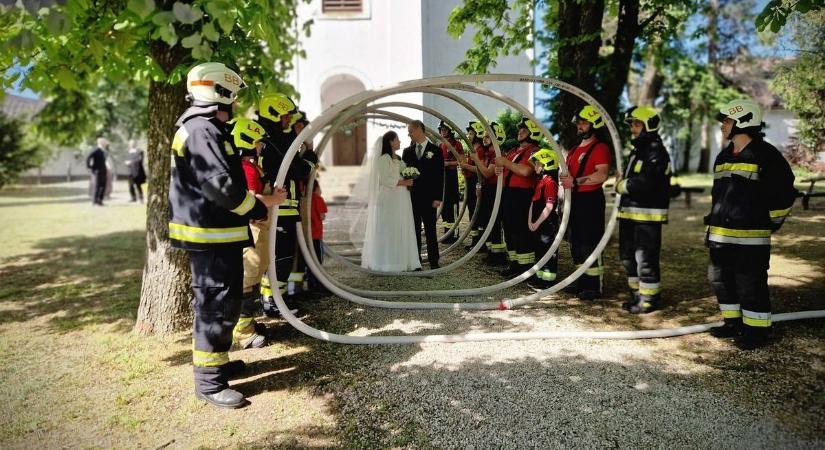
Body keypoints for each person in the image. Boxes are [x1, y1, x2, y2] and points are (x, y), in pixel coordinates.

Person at [168, 62, 286, 409]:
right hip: (210, 237)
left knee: (227, 302)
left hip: (220, 235)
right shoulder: (201, 130)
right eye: (232, 96)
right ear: (219, 92)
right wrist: (256, 208)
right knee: (215, 307)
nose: (235, 103)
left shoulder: (207, 129)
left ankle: (217, 364)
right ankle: (208, 383)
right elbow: (220, 186)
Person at [706, 99, 796, 350]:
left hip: (750, 239)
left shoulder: (766, 156)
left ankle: (756, 332)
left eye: (726, 121)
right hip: (721, 236)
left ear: (743, 122)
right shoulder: (724, 156)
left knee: (750, 284)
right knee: (720, 279)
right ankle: (732, 323)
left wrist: (769, 223)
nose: (723, 126)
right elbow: (719, 196)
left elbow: (784, 194)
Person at [255, 94, 317, 309]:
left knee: (281, 255)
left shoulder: (270, 139)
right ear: (272, 115)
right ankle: (272, 300)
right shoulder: (275, 144)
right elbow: (299, 170)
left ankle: (276, 298)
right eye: (285, 117)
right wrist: (310, 154)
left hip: (281, 207)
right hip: (279, 208)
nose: (288, 121)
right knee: (280, 255)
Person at [615, 106, 672, 314]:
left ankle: (648, 299)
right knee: (627, 256)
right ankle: (636, 295)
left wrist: (622, 185)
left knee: (645, 258)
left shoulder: (656, 151)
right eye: (631, 124)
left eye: (637, 124)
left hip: (647, 216)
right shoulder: (638, 150)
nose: (632, 129)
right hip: (630, 213)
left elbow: (648, 182)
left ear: (649, 126)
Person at [559, 105, 611, 300]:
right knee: (577, 243)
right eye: (578, 123)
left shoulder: (599, 148)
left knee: (590, 242)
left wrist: (575, 181)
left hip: (590, 201)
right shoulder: (574, 150)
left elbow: (601, 174)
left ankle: (593, 285)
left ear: (594, 124)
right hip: (575, 201)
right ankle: (581, 280)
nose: (579, 126)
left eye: (583, 122)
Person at [229, 117, 271, 350]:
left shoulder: (251, 166)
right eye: (257, 142)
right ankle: (243, 332)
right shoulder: (246, 168)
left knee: (254, 278)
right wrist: (275, 199)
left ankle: (249, 324)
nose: (260, 147)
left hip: (259, 230)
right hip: (254, 230)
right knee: (248, 280)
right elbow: (252, 199)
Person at [362, 131, 421, 271]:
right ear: (390, 142)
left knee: (402, 224)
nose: (400, 142)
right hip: (389, 197)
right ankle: (388, 261)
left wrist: (411, 174)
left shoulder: (397, 158)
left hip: (401, 197)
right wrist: (403, 183)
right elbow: (383, 179)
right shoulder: (384, 158)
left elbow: (403, 171)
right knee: (389, 227)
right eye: (397, 139)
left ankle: (404, 260)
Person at [496, 118, 540, 276]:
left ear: (532, 133)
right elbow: (505, 167)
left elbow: (526, 171)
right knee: (509, 229)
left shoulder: (534, 151)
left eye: (524, 130)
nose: (520, 132)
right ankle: (514, 263)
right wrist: (499, 169)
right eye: (520, 129)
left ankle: (525, 267)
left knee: (521, 231)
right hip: (508, 194)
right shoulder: (514, 151)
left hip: (522, 196)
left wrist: (505, 163)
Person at [402, 120, 445, 269]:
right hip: (412, 197)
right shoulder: (407, 152)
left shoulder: (436, 150)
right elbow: (403, 174)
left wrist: (438, 197)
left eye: (411, 130)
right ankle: (416, 261)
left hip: (430, 197)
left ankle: (434, 260)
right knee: (413, 230)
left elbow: (440, 175)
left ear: (419, 129)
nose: (409, 134)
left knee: (430, 229)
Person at [467, 124, 510, 265]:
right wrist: (479, 186)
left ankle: (498, 256)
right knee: (487, 221)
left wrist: (476, 160)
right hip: (487, 189)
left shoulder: (498, 155)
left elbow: (487, 172)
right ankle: (491, 252)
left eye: (488, 136)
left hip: (495, 191)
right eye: (484, 136)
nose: (484, 138)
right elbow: (482, 174)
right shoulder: (487, 153)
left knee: (495, 222)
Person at [527, 148, 561, 289]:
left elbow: (549, 206)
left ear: (546, 164)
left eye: (537, 164)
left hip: (547, 224)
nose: (535, 167)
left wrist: (537, 222)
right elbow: (533, 202)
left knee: (548, 252)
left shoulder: (550, 183)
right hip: (538, 224)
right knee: (539, 250)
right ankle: (540, 278)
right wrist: (530, 221)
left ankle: (548, 280)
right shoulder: (541, 181)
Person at [460, 121, 485, 248]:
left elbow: (479, 169)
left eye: (471, 133)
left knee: (477, 212)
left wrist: (466, 166)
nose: (468, 136)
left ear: (477, 134)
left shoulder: (479, 150)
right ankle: (475, 240)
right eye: (468, 133)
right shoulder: (473, 149)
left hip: (477, 182)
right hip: (471, 182)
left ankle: (479, 242)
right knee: (472, 210)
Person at [438, 121, 461, 242]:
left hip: (452, 175)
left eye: (445, 130)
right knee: (445, 205)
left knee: (452, 205)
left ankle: (454, 233)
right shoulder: (440, 145)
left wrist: (448, 163)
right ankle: (447, 233)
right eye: (441, 130)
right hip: (443, 175)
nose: (442, 132)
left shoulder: (456, 144)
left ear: (450, 131)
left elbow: (462, 161)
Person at [307, 180, 328, 290]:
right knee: (317, 259)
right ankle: (317, 283)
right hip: (316, 235)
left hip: (306, 236)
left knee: (309, 259)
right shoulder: (318, 199)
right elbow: (322, 216)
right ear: (316, 188)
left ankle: (310, 282)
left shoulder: (305, 199)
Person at [86, 136, 108, 206]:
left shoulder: (103, 151)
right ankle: (94, 201)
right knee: (97, 186)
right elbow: (88, 157)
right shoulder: (96, 150)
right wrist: (89, 166)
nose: (105, 143)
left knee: (103, 186)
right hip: (97, 171)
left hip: (103, 170)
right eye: (104, 142)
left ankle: (100, 201)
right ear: (100, 142)